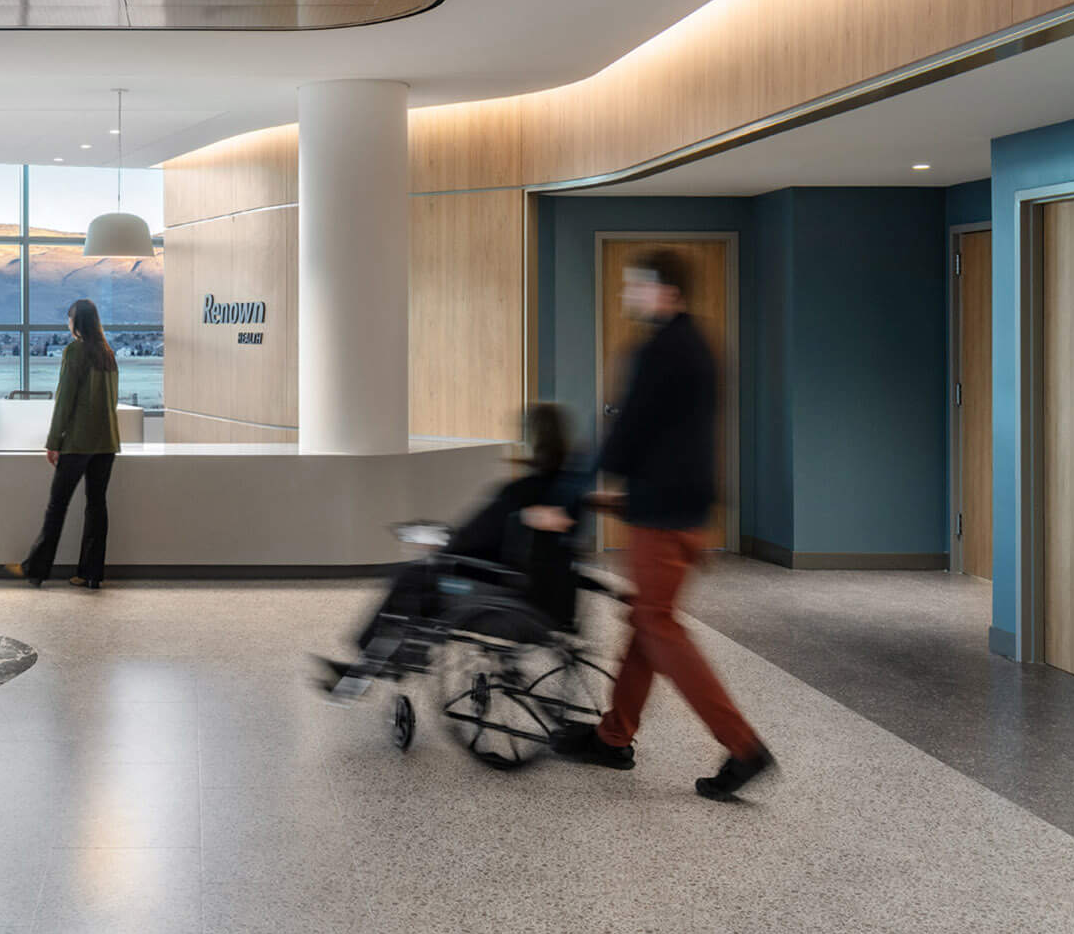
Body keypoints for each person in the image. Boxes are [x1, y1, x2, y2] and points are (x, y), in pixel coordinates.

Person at [552, 248, 775, 801]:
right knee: (647, 625)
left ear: (664, 291)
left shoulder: (659, 349)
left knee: (658, 627)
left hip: (663, 512)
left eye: (636, 286)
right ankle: (613, 736)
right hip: (687, 507)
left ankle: (743, 746)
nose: (628, 294)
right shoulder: (698, 344)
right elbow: (663, 434)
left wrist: (574, 490)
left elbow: (628, 431)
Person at [312, 403, 585, 691]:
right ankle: (379, 664)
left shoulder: (519, 491)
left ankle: (368, 668)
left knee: (413, 576)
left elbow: (473, 538)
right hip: (554, 604)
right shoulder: (571, 491)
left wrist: (440, 545)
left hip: (509, 599)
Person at [5, 299, 121, 589]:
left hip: (78, 443)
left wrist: (54, 441)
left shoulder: (75, 351)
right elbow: (112, 400)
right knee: (96, 506)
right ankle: (91, 574)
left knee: (57, 507)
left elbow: (64, 400)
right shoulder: (107, 353)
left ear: (76, 323)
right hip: (106, 442)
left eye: (69, 319)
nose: (67, 324)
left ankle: (35, 569)